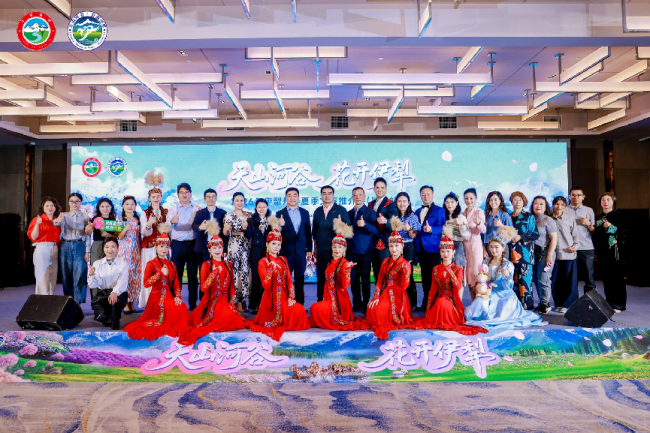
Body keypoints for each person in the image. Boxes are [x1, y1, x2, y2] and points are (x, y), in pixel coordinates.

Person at [178, 221, 248, 346]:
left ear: (223, 248)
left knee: (234, 319)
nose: (217, 250)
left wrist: (232, 301)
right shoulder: (207, 265)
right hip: (211, 301)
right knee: (221, 319)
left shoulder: (228, 264)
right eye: (214, 248)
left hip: (225, 301)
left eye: (220, 247)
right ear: (209, 250)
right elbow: (203, 288)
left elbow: (232, 286)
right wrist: (213, 274)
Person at [465, 226, 546, 329]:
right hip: (489, 292)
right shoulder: (485, 262)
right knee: (479, 302)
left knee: (506, 303)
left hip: (504, 293)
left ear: (503, 248)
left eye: (496, 247)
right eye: (491, 247)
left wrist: (507, 276)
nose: (493, 250)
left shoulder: (508, 265)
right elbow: (484, 279)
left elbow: (509, 286)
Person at [124, 224, 189, 340]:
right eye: (161, 246)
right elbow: (146, 283)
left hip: (169, 296)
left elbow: (176, 283)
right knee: (172, 310)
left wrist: (178, 296)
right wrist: (160, 274)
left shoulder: (172, 264)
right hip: (156, 297)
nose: (164, 249)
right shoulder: (151, 264)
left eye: (166, 247)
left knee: (182, 307)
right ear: (156, 247)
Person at [415, 236, 487, 335]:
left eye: (448, 251)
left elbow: (457, 287)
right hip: (439, 301)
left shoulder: (458, 269)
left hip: (452, 301)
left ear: (453, 253)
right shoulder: (436, 269)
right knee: (440, 302)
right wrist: (429, 308)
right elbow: (433, 289)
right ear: (440, 253)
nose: (446, 254)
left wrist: (450, 272)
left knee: (442, 302)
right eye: (443, 251)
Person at [251, 227, 310, 341]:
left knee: (301, 310)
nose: (276, 246)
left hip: (284, 297)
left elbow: (289, 280)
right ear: (267, 244)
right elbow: (266, 285)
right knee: (291, 315)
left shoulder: (283, 259)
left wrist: (291, 297)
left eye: (278, 244)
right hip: (271, 300)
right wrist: (270, 269)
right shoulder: (263, 262)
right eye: (273, 243)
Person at [309, 223, 370, 331]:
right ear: (332, 248)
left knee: (315, 309)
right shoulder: (331, 262)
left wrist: (347, 270)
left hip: (339, 302)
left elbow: (345, 286)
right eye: (335, 247)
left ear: (344, 249)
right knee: (315, 309)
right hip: (329, 298)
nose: (337, 249)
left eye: (340, 247)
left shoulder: (344, 263)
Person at [365, 229, 414, 340]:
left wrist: (407, 272)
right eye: (391, 246)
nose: (394, 249)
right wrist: (376, 296)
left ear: (402, 246)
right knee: (371, 308)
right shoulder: (385, 261)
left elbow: (404, 287)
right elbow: (380, 281)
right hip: (385, 292)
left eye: (396, 246)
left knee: (379, 312)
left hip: (398, 295)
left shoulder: (404, 263)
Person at [312, 185, 351, 302]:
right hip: (321, 250)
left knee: (335, 277)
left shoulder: (341, 210)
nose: (327, 196)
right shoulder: (317, 211)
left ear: (333, 195)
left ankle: (335, 302)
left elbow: (349, 231)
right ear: (321, 195)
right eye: (324, 193)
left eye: (330, 193)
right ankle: (321, 301)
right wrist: (315, 249)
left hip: (336, 251)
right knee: (321, 276)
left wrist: (340, 224)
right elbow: (315, 233)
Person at [167, 183, 201, 311]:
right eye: (182, 192)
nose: (184, 194)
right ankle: (176, 303)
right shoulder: (172, 210)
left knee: (192, 275)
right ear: (178, 195)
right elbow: (166, 228)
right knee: (176, 275)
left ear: (191, 194)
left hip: (192, 244)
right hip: (177, 245)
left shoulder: (197, 209)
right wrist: (171, 222)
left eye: (187, 192)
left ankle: (193, 304)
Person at [591, 192, 627, 312]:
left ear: (613, 202)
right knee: (606, 279)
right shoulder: (598, 217)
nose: (605, 202)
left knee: (617, 278)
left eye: (608, 200)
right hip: (602, 251)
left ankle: (619, 304)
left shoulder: (620, 216)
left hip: (616, 251)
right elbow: (596, 236)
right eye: (603, 200)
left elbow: (625, 233)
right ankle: (610, 303)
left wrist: (611, 227)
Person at [276, 188, 312, 305]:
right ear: (286, 198)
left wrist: (309, 249)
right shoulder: (279, 214)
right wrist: (279, 225)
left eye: (295, 195)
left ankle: (300, 305)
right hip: (286, 251)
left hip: (301, 251)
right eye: (289, 195)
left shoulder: (305, 213)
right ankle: (285, 304)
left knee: (300, 278)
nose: (292, 198)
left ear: (298, 197)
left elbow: (308, 232)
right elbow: (276, 233)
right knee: (285, 279)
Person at [54, 193, 91, 304]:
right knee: (66, 274)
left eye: (77, 201)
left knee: (80, 273)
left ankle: (78, 302)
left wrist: (87, 251)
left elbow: (88, 235)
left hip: (80, 245)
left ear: (81, 202)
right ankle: (69, 301)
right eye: (72, 201)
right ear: (69, 202)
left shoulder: (86, 217)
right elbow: (55, 223)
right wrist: (57, 221)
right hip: (65, 245)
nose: (74, 204)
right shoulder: (63, 215)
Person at [414, 185, 446, 311]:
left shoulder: (439, 210)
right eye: (423, 194)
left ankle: (435, 304)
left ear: (432, 195)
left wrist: (431, 229)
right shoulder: (417, 211)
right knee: (424, 277)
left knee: (434, 278)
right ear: (420, 196)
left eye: (428, 194)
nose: (426, 196)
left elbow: (443, 227)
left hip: (433, 248)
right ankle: (426, 303)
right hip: (420, 248)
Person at [347, 187, 379, 312]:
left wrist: (365, 225)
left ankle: (366, 304)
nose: (358, 197)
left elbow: (377, 231)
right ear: (352, 197)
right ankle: (356, 304)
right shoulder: (349, 213)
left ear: (364, 196)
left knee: (365, 278)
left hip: (365, 251)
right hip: (351, 251)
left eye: (360, 194)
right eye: (355, 195)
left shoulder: (370, 212)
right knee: (353, 279)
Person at [139, 171, 168, 307]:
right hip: (149, 247)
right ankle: (148, 301)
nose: (156, 199)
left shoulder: (166, 212)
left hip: (163, 248)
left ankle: (162, 301)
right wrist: (149, 224)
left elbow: (169, 230)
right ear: (149, 198)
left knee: (163, 272)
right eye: (153, 196)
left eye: (158, 196)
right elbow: (144, 233)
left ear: (161, 197)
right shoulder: (144, 213)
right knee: (149, 273)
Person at [87, 237, 129, 330]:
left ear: (117, 248)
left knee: (114, 304)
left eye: (113, 247)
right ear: (103, 248)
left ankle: (115, 320)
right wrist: (91, 275)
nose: (110, 250)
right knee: (101, 317)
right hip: (103, 293)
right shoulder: (97, 263)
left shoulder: (123, 264)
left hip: (118, 293)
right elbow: (93, 285)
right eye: (107, 247)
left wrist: (115, 292)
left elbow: (123, 281)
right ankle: (106, 316)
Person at [509, 191, 539, 309]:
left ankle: (527, 307)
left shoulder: (529, 216)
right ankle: (514, 308)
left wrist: (520, 237)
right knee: (512, 282)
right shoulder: (508, 216)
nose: (517, 202)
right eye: (515, 200)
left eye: (520, 200)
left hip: (524, 254)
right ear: (511, 202)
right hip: (509, 254)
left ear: (524, 202)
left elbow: (535, 234)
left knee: (525, 283)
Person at [223, 192, 252, 312]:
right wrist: (226, 229)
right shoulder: (229, 215)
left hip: (247, 245)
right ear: (233, 202)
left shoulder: (249, 215)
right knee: (236, 273)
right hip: (234, 245)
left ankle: (244, 301)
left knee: (245, 273)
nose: (239, 203)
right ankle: (236, 302)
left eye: (241, 200)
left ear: (244, 201)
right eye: (237, 200)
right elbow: (225, 233)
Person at [28, 197, 62, 296]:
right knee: (42, 277)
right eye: (47, 206)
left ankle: (50, 299)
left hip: (54, 248)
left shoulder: (57, 220)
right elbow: (33, 237)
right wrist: (37, 224)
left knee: (52, 276)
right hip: (43, 248)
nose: (50, 208)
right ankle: (42, 300)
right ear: (42, 208)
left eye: (52, 205)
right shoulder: (38, 219)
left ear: (56, 207)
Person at [551, 196, 579, 313]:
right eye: (557, 204)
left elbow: (576, 236)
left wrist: (575, 247)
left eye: (562, 205)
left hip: (568, 253)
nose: (559, 207)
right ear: (553, 205)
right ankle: (558, 303)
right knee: (555, 281)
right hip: (553, 255)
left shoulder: (570, 219)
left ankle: (568, 305)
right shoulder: (548, 219)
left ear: (565, 206)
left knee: (569, 281)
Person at [530, 196, 558, 314]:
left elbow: (554, 239)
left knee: (544, 279)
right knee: (536, 279)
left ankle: (545, 304)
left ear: (546, 206)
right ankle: (542, 303)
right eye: (536, 203)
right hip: (534, 253)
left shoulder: (548, 220)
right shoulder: (531, 219)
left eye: (541, 204)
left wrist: (549, 256)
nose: (538, 206)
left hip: (546, 252)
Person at [368, 177, 398, 286]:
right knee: (376, 273)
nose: (379, 190)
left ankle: (387, 296)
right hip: (372, 242)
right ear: (374, 189)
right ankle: (378, 295)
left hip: (384, 242)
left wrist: (385, 221)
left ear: (386, 189)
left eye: (382, 187)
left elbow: (395, 224)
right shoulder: (370, 204)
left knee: (385, 272)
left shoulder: (391, 204)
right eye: (377, 188)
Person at [393, 192, 421, 307]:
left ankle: (412, 303)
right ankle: (398, 301)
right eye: (399, 201)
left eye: (404, 201)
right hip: (395, 248)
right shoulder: (394, 216)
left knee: (407, 274)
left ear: (409, 203)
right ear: (396, 203)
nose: (402, 204)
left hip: (408, 247)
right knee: (396, 274)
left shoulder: (412, 216)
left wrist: (410, 229)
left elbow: (415, 234)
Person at [246, 198, 273, 312]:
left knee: (267, 277)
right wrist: (245, 227)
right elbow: (248, 235)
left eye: (264, 207)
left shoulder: (272, 220)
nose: (262, 209)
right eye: (259, 207)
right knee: (256, 277)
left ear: (267, 208)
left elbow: (275, 235)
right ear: (256, 208)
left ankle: (266, 304)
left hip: (268, 250)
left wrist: (279, 226)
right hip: (255, 250)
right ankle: (255, 305)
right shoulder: (251, 220)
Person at [569, 187, 597, 295]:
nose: (576, 197)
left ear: (583, 197)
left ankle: (590, 300)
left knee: (589, 277)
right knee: (571, 277)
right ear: (569, 196)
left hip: (586, 247)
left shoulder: (589, 210)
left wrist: (588, 223)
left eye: (579, 195)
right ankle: (572, 300)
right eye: (573, 195)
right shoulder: (564, 210)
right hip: (570, 248)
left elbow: (593, 230)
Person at [442, 192, 471, 297]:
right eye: (447, 202)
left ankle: (458, 302)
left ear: (457, 203)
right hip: (445, 248)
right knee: (447, 275)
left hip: (458, 247)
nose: (449, 204)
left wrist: (461, 225)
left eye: (452, 202)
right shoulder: (443, 217)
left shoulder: (461, 217)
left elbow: (467, 235)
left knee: (458, 276)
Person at [117, 196, 142, 314]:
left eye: (132, 204)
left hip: (136, 251)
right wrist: (126, 228)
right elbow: (119, 237)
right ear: (123, 206)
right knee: (126, 275)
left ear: (135, 206)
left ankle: (132, 303)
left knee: (135, 276)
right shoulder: (120, 219)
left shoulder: (138, 219)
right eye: (127, 204)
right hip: (124, 250)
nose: (129, 206)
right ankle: (126, 303)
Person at [462, 188, 486, 300]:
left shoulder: (479, 212)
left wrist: (479, 223)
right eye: (466, 198)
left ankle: (480, 301)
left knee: (477, 273)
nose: (469, 201)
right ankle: (473, 302)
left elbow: (484, 230)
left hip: (475, 245)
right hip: (465, 246)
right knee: (469, 274)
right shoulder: (462, 214)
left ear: (475, 199)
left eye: (471, 198)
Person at [192, 188, 228, 264]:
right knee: (203, 268)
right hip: (203, 246)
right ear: (204, 199)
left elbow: (226, 233)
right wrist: (200, 227)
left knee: (218, 267)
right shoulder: (200, 213)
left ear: (216, 198)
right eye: (208, 197)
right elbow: (194, 226)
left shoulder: (223, 213)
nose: (211, 199)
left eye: (213, 196)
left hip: (218, 246)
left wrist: (225, 249)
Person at [87, 198, 117, 271]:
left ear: (111, 207)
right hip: (98, 245)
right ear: (99, 208)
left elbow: (117, 236)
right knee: (96, 266)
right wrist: (88, 229)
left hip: (110, 246)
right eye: (102, 206)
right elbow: (88, 233)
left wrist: (109, 235)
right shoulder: (95, 219)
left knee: (110, 268)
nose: (105, 209)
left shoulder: (114, 220)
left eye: (107, 206)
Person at [482, 191, 513, 258]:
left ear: (500, 201)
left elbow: (511, 235)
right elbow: (483, 235)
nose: (493, 202)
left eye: (495, 199)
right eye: (491, 200)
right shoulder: (486, 216)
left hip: (501, 247)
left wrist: (501, 225)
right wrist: (484, 249)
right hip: (488, 248)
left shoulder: (505, 215)